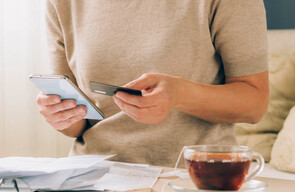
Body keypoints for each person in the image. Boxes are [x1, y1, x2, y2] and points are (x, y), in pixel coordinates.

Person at [36, 0, 269, 166]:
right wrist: (61, 114)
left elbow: (254, 103)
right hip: (93, 176)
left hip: (193, 175)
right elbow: (80, 124)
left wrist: (180, 95)